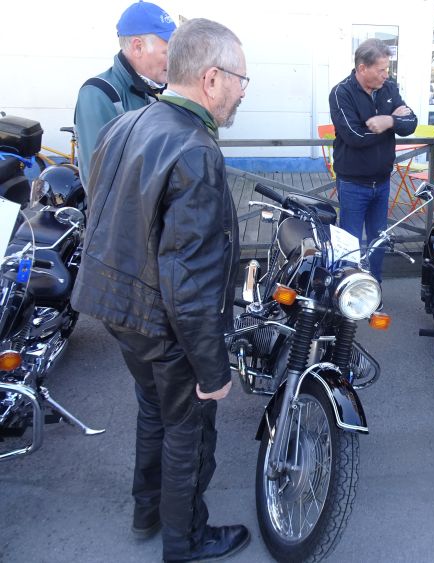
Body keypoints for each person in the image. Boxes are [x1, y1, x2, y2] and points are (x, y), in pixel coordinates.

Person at [71, 18, 250, 563]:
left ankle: (147, 512)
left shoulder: (129, 123)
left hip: (117, 306)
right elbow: (189, 280)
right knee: (188, 430)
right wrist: (213, 371)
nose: (243, 91)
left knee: (155, 411)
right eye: (241, 79)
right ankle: (186, 540)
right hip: (162, 317)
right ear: (212, 78)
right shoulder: (195, 149)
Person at [329, 38, 417, 283]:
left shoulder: (388, 88)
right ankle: (348, 290)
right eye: (381, 69)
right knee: (350, 245)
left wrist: (387, 121)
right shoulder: (341, 93)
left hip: (383, 181)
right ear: (362, 68)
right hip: (353, 183)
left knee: (378, 242)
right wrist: (391, 122)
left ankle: (374, 288)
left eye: (387, 69)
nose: (386, 74)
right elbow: (354, 136)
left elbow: (411, 123)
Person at [74, 1, 176, 186]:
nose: (174, 61)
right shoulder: (99, 94)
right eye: (167, 52)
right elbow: (100, 184)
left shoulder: (164, 89)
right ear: (138, 47)